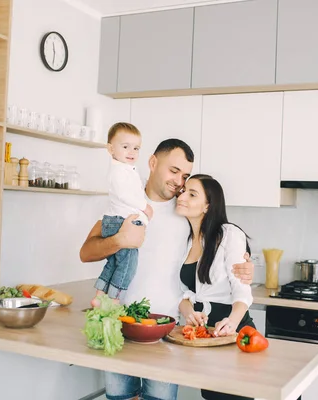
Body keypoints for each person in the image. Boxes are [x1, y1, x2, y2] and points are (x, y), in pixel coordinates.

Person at [80, 138, 254, 400]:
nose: (179, 182)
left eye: (184, 176)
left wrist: (246, 267)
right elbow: (87, 252)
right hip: (119, 324)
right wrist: (119, 240)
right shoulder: (125, 203)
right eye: (174, 171)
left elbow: (222, 249)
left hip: (166, 329)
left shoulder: (185, 213)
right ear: (152, 163)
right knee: (119, 397)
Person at [177, 174, 255, 400]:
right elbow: (182, 291)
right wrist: (188, 312)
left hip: (232, 330)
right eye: (183, 191)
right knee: (212, 395)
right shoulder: (184, 240)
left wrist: (232, 322)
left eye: (192, 194)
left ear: (207, 206)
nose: (183, 197)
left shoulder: (229, 235)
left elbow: (242, 289)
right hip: (205, 336)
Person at [93, 122, 153, 304]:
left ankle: (100, 296)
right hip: (120, 221)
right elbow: (124, 194)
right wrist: (144, 207)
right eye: (125, 147)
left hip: (115, 220)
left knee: (114, 262)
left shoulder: (126, 169)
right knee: (128, 264)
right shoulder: (119, 171)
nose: (132, 152)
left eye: (136, 148)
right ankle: (114, 300)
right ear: (111, 149)